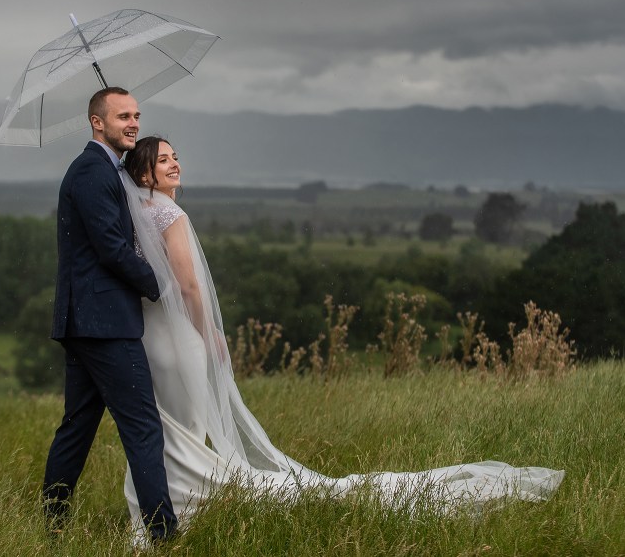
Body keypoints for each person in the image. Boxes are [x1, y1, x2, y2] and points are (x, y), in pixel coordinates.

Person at [121, 136, 564, 533]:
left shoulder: (133, 217)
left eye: (176, 157)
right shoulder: (170, 213)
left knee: (163, 428)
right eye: (163, 160)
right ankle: (185, 505)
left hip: (150, 340)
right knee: (186, 428)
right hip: (180, 338)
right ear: (144, 174)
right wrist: (209, 331)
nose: (175, 164)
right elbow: (189, 286)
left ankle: (164, 506)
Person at [42, 89, 177, 543]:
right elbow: (112, 249)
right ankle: (162, 535)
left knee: (77, 427)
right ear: (97, 123)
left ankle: (53, 526)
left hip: (90, 320)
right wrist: (160, 286)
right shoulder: (91, 171)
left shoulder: (106, 170)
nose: (133, 123)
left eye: (136, 115)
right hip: (104, 323)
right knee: (143, 426)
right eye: (123, 117)